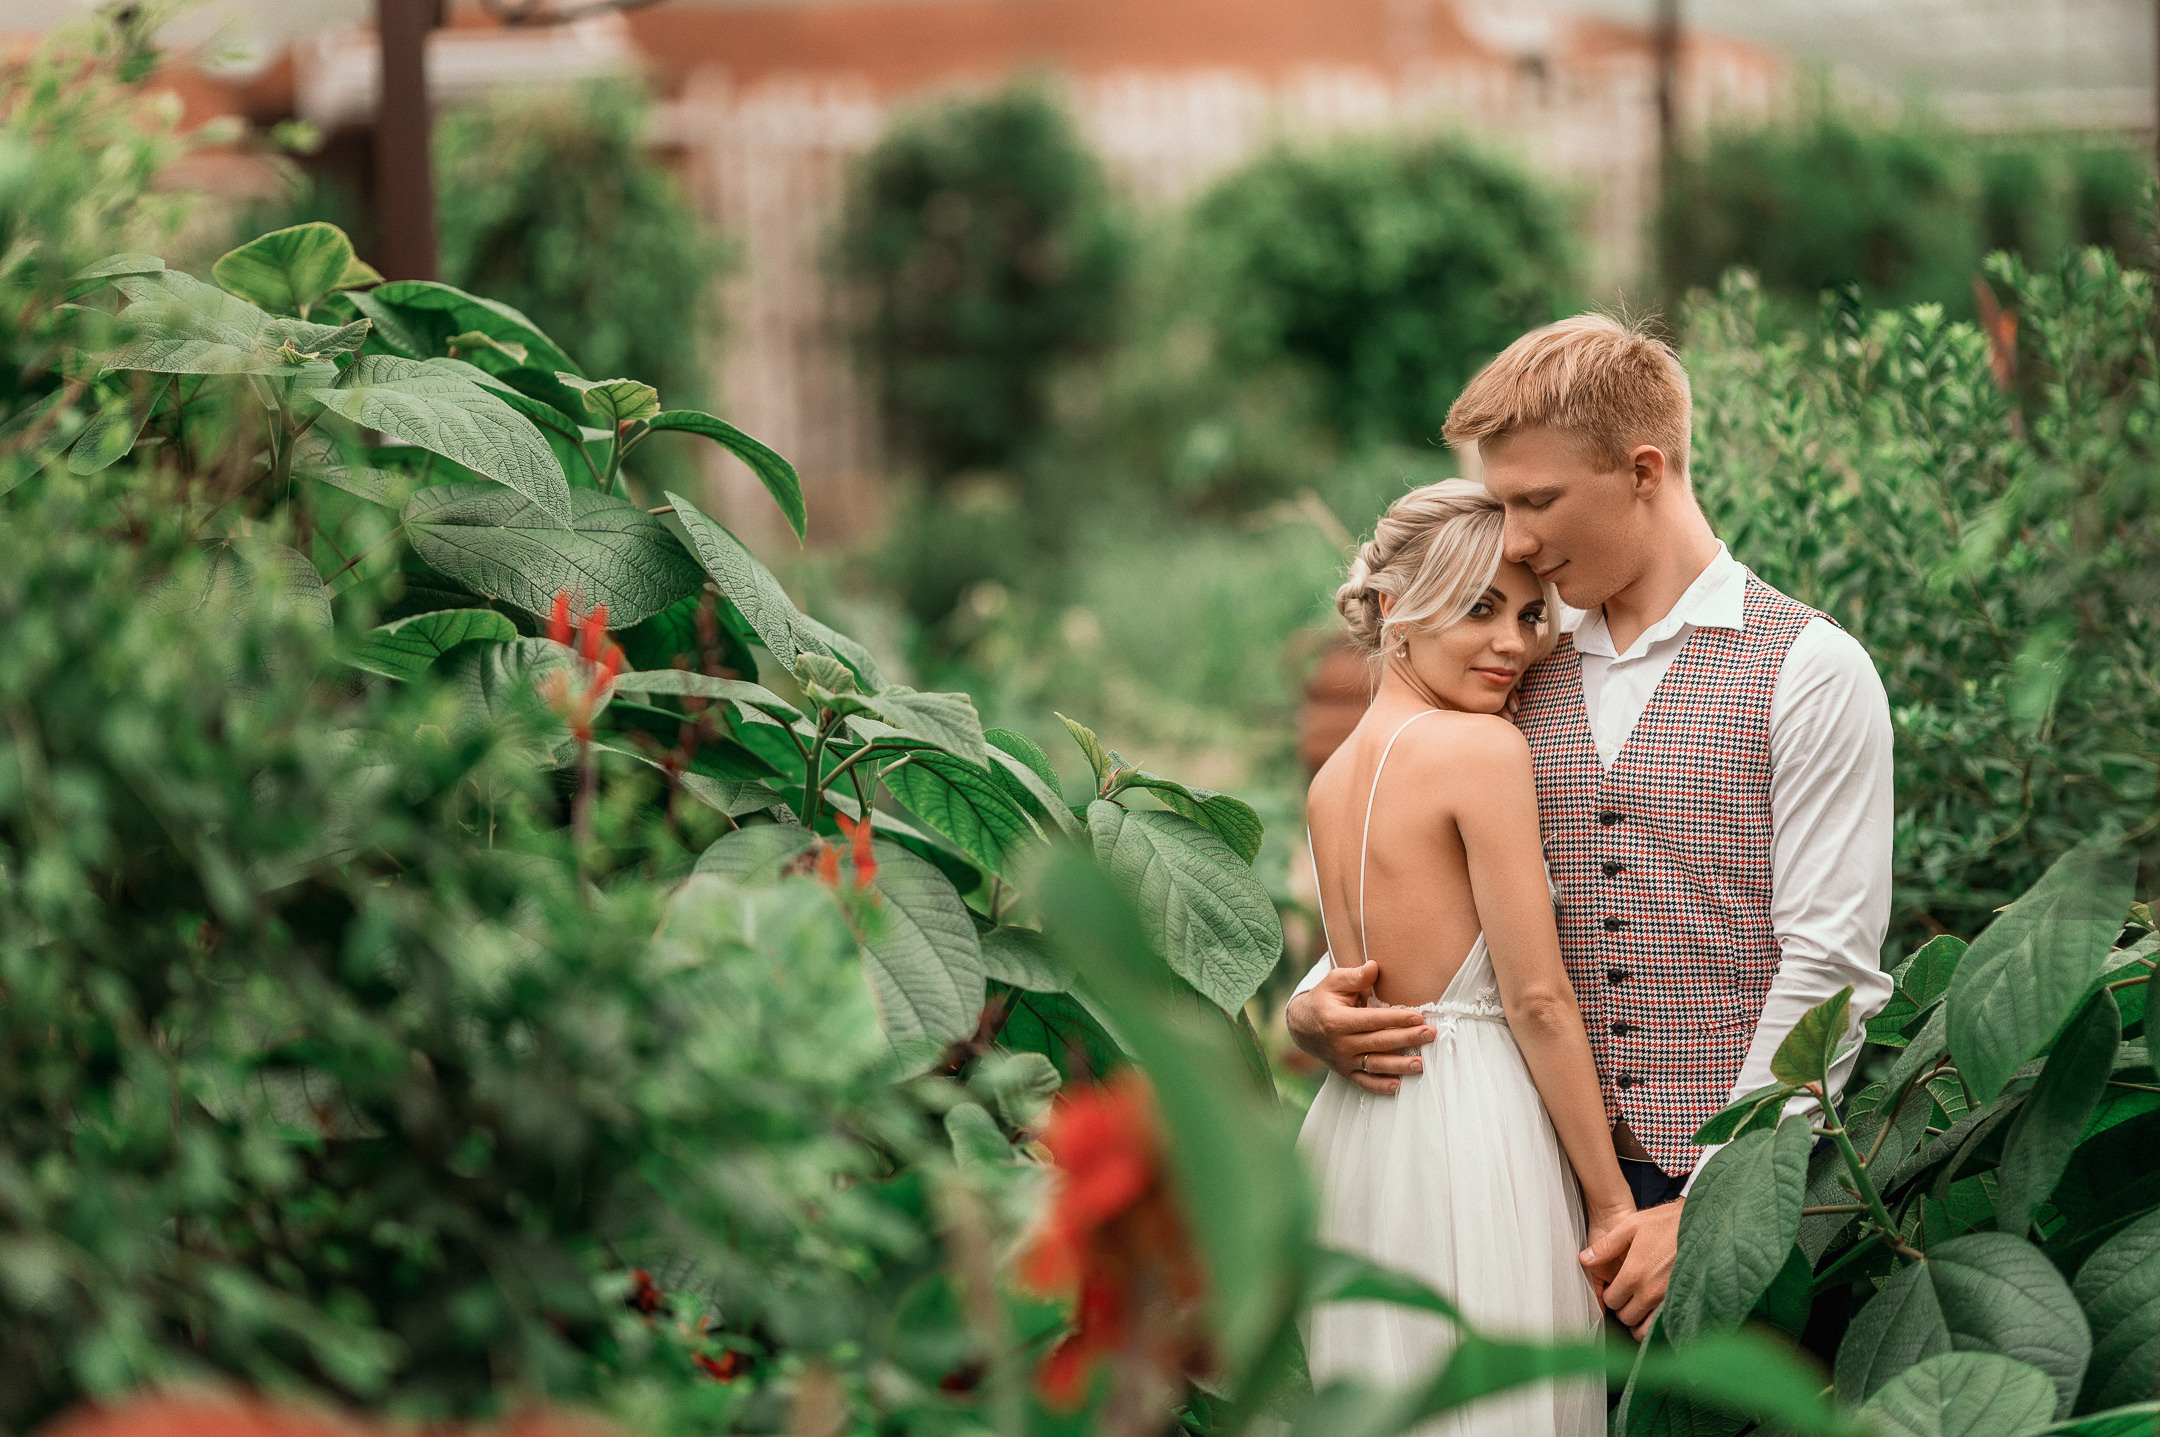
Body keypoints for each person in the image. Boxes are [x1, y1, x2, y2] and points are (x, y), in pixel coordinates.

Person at [1288, 313, 1895, 1342]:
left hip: (1733, 1178)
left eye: (1537, 501)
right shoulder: (1506, 663)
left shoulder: (1810, 672)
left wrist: (1711, 1199)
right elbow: (1415, 858)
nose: (1514, 539)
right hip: (1520, 1177)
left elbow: (1829, 966)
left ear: (1643, 469)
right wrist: (1319, 1006)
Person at [1299, 479, 1632, 1437]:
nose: (1514, 643)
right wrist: (1610, 1204)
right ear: (1397, 608)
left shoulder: (1331, 780)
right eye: (1479, 606)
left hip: (1362, 1135)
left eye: (1532, 614)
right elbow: (1536, 999)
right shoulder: (1479, 751)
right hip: (1472, 1125)